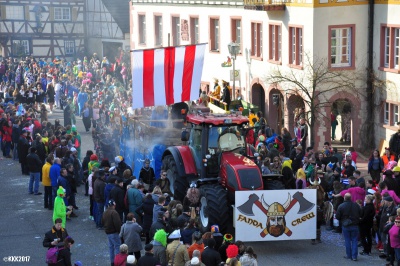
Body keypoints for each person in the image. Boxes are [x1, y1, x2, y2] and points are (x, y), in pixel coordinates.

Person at [336, 193, 361, 261]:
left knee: (347, 240)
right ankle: (354, 256)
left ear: (344, 198)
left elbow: (337, 216)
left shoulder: (341, 206)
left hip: (346, 225)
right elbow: (361, 213)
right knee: (354, 240)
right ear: (351, 198)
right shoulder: (356, 205)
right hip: (355, 224)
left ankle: (349, 255)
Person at [102, 199, 122, 265]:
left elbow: (102, 222)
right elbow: (117, 223)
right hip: (114, 232)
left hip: (108, 232)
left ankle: (112, 262)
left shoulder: (105, 212)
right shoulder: (114, 213)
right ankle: (118, 262)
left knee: (111, 247)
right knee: (117, 247)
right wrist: (119, 231)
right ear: (114, 205)